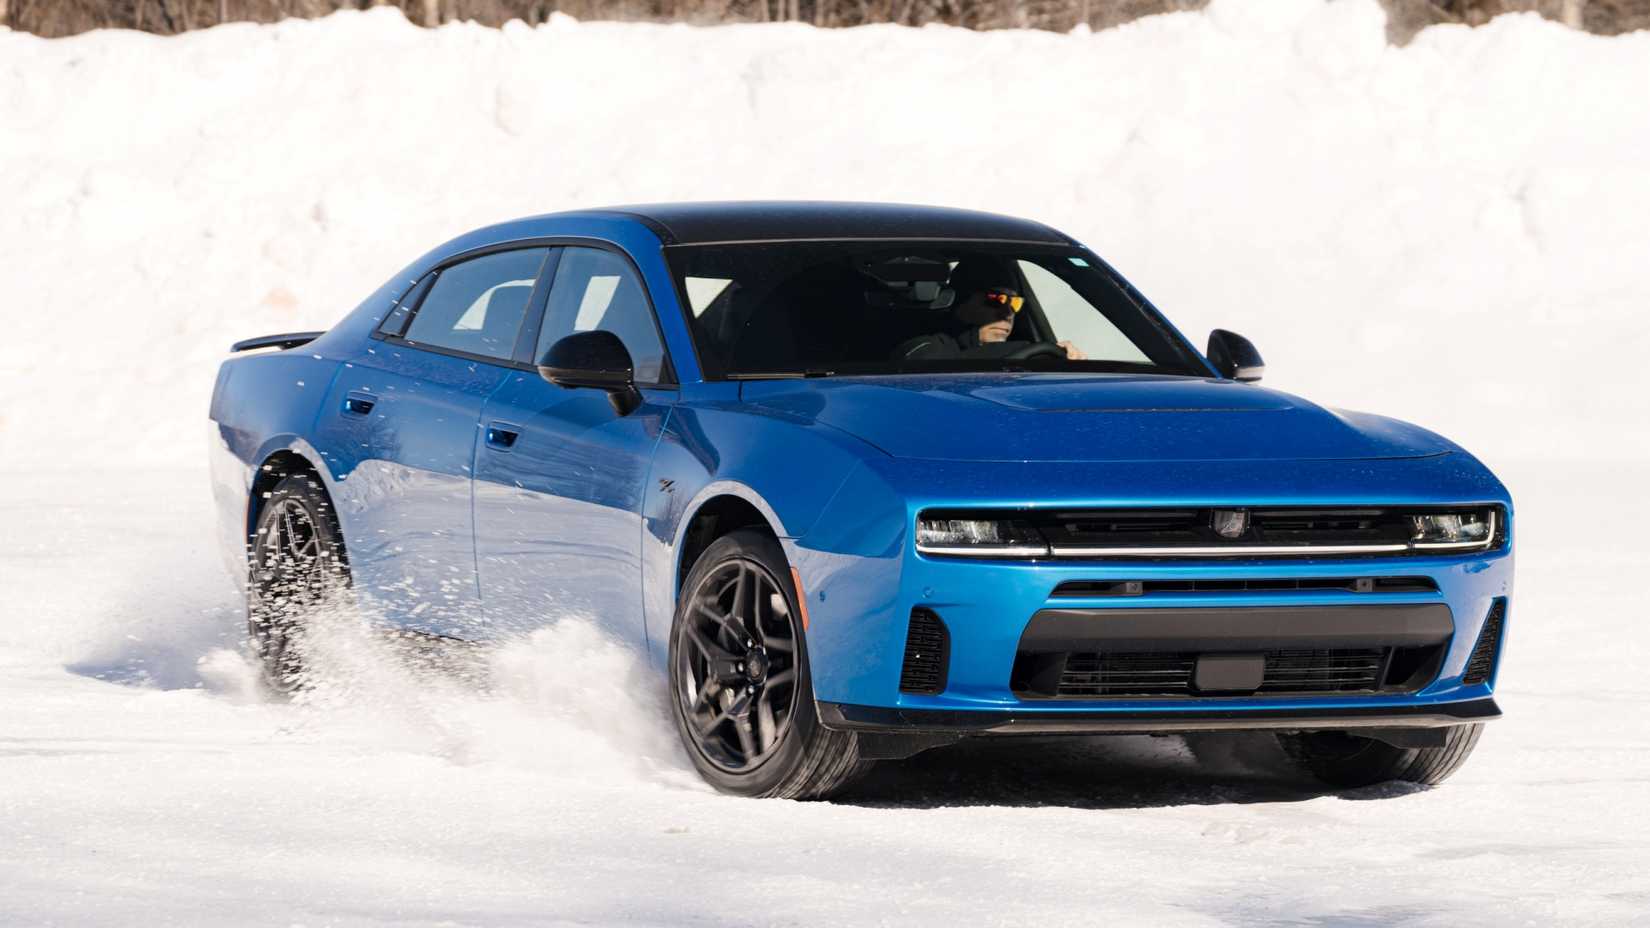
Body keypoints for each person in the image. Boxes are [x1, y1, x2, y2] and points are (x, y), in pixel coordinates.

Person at [892, 257, 1085, 361]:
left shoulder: (1024, 354)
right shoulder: (923, 347)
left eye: (1015, 303)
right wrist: (1030, 351)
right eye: (996, 299)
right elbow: (938, 370)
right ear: (961, 303)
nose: (1007, 312)